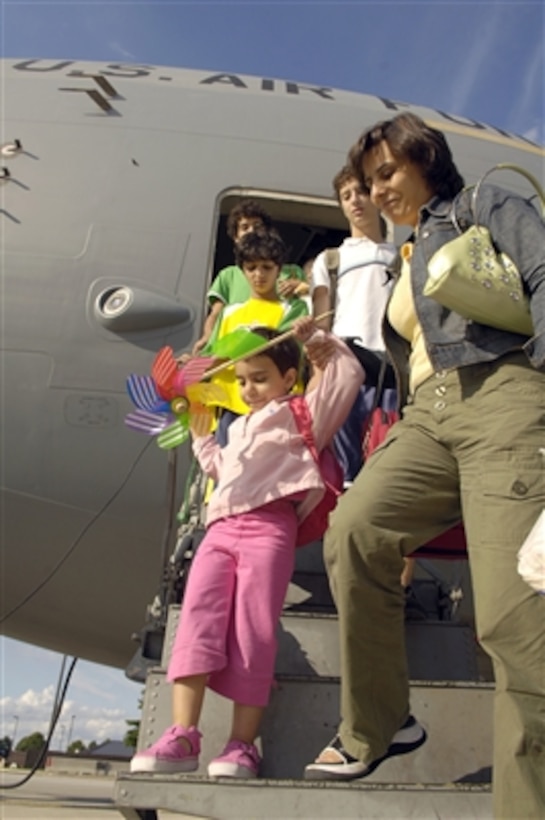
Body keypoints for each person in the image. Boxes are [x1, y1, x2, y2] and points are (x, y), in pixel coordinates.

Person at [304, 113, 545, 820]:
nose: (377, 191)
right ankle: (379, 724)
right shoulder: (408, 252)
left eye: (386, 173)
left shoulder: (483, 206)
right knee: (354, 530)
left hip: (505, 395)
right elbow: (411, 354)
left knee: (510, 618)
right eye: (366, 181)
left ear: (426, 161)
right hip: (427, 415)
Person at [130, 317, 365, 779]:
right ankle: (183, 735)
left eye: (260, 378)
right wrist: (198, 431)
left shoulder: (306, 414)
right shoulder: (235, 428)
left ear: (289, 379)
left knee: (254, 631)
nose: (249, 388)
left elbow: (348, 373)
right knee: (197, 621)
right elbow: (222, 470)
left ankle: (241, 745)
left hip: (269, 529)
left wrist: (313, 340)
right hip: (219, 529)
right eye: (241, 380)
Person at [311, 165, 397, 483]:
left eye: (361, 191)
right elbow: (322, 324)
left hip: (391, 376)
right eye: (346, 196)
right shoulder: (330, 260)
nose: (355, 201)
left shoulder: (401, 256)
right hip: (345, 373)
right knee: (344, 475)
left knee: (383, 474)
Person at [203, 229, 308, 443]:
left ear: (279, 270)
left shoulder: (293, 309)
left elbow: (289, 355)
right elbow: (210, 356)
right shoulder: (229, 313)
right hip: (229, 405)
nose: (258, 274)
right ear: (241, 270)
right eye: (251, 268)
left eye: (266, 267)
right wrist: (189, 366)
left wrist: (231, 353)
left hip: (273, 409)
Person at [192, 199, 306, 354]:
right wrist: (208, 339)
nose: (259, 274)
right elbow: (216, 314)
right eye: (245, 227)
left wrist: (301, 285)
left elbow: (311, 300)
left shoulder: (293, 273)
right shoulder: (228, 277)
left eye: (257, 226)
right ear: (236, 237)